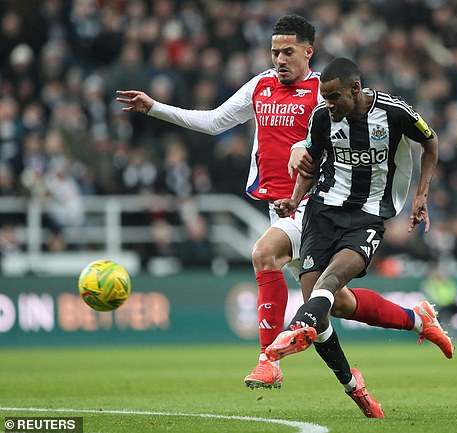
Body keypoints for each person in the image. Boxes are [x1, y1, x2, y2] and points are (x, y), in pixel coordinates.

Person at [116, 15, 433, 391]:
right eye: (274, 52)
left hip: (317, 204)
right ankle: (417, 320)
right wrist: (155, 107)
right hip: (278, 206)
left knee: (264, 254)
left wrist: (305, 152)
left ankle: (268, 361)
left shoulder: (324, 92)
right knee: (337, 303)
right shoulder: (260, 86)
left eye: (287, 52)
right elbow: (215, 121)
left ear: (308, 52)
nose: (279, 59)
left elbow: (346, 142)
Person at [267, 57, 453, 417]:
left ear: (355, 89)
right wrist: (293, 198)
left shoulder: (395, 112)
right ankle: (405, 333)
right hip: (322, 212)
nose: (329, 104)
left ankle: (292, 333)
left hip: (368, 214)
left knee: (331, 282)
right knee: (330, 305)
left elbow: (431, 143)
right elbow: (311, 164)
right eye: (325, 97)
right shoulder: (323, 117)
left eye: (334, 96)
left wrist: (421, 194)